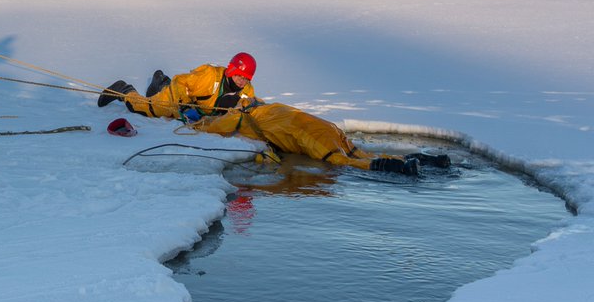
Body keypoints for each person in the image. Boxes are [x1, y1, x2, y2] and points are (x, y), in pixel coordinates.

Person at [187, 101, 451, 176]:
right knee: (361, 152)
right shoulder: (271, 108)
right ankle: (429, 160)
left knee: (343, 162)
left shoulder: (242, 118)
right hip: (330, 128)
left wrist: (194, 122)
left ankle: (400, 167)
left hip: (310, 136)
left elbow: (212, 128)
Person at [98, 52, 262, 120]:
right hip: (179, 97)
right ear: (231, 71)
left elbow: (250, 107)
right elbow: (181, 81)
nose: (242, 81)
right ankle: (123, 89)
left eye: (246, 78)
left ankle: (161, 82)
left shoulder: (247, 91)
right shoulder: (209, 76)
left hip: (200, 111)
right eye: (239, 76)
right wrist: (181, 107)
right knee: (144, 109)